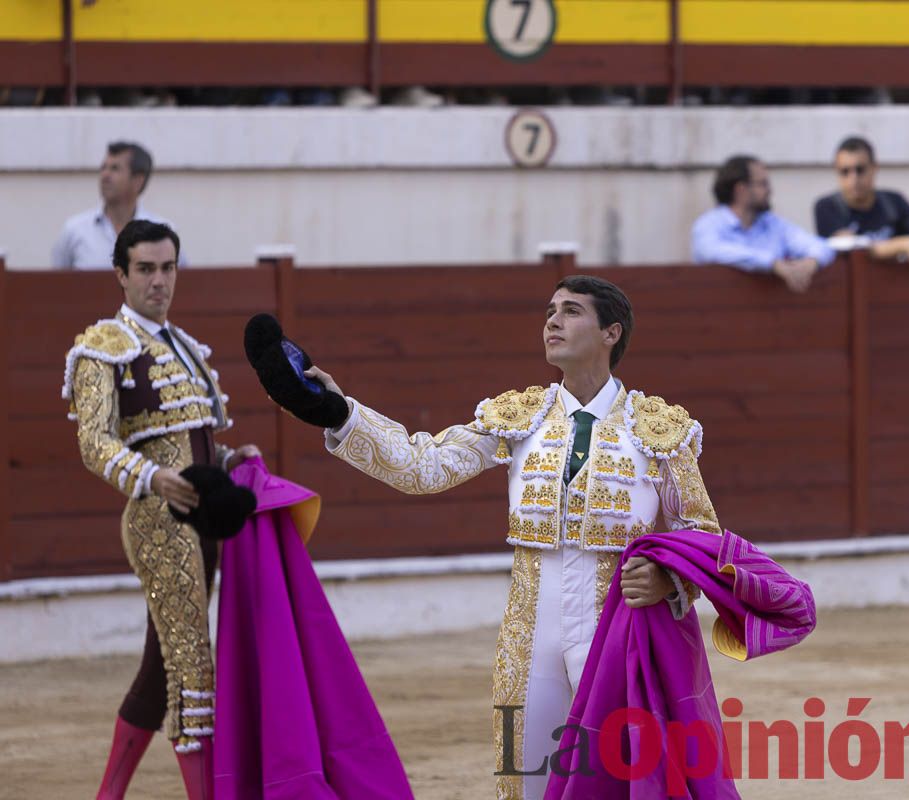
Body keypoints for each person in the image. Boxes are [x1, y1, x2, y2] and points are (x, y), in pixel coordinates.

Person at [305, 274, 721, 800]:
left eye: (571, 311)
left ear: (611, 332)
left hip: (617, 631)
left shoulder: (657, 428)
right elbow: (422, 466)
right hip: (527, 637)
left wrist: (669, 579)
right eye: (550, 310)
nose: (553, 320)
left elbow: (701, 530)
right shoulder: (516, 418)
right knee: (521, 779)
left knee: (617, 782)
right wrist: (342, 414)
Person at [64, 220, 258, 799]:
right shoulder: (102, 346)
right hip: (157, 523)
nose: (159, 281)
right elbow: (94, 442)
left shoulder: (186, 348)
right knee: (195, 669)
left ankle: (108, 795)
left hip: (201, 526)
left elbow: (189, 441)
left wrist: (227, 460)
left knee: (160, 670)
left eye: (167, 267)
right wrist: (151, 477)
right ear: (120, 274)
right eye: (146, 269)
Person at [691, 154, 835, 292]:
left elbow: (821, 246)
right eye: (762, 184)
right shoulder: (708, 225)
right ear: (741, 190)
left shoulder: (773, 223)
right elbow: (712, 251)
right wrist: (773, 264)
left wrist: (811, 262)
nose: (770, 191)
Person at [814, 135, 909, 267]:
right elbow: (855, 249)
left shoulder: (893, 201)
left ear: (874, 168)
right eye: (845, 172)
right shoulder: (827, 207)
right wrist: (904, 245)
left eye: (860, 170)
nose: (853, 179)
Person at [51, 141, 186, 270]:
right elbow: (58, 286)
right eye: (103, 167)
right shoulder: (74, 230)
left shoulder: (164, 232)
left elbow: (182, 283)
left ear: (138, 180)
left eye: (115, 169)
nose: (105, 175)